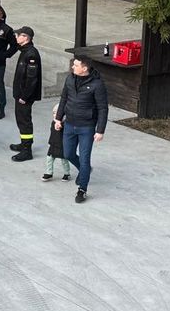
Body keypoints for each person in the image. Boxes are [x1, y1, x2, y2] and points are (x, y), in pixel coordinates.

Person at [55, 56, 109, 204]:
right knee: (68, 153)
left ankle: (82, 189)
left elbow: (103, 108)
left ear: (84, 68)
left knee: (85, 159)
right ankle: (85, 170)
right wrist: (58, 118)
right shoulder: (69, 79)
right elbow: (63, 98)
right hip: (69, 125)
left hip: (87, 127)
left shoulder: (97, 85)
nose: (73, 67)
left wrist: (100, 130)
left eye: (76, 65)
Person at [10, 26, 43, 162]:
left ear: (25, 38)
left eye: (19, 35)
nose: (16, 37)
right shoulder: (24, 51)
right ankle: (24, 144)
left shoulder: (31, 54)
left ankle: (26, 150)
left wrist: (24, 96)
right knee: (20, 119)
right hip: (21, 94)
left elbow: (31, 79)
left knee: (24, 121)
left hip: (25, 96)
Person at [43, 103, 71, 182]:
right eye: (53, 113)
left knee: (64, 160)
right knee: (49, 159)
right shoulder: (53, 122)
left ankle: (67, 173)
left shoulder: (65, 124)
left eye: (57, 113)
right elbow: (52, 133)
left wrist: (61, 125)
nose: (54, 115)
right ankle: (49, 172)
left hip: (62, 145)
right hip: (53, 144)